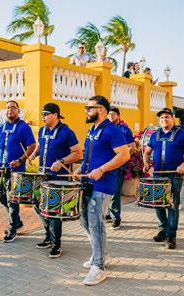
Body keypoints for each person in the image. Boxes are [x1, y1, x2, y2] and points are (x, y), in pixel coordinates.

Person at [74, 95, 130, 286]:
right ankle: (101, 252)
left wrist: (102, 169)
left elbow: (124, 155)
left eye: (90, 108)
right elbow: (90, 156)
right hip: (88, 182)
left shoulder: (112, 130)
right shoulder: (92, 130)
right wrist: (80, 169)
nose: (87, 111)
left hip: (103, 184)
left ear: (102, 110)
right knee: (84, 219)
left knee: (95, 223)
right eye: (86, 108)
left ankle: (98, 267)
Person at [28, 103, 82, 258]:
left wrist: (62, 161)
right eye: (42, 114)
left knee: (53, 211)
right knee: (38, 206)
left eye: (46, 114)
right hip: (42, 175)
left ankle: (56, 244)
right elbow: (40, 146)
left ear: (55, 115)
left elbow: (77, 153)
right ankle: (48, 236)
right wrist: (33, 155)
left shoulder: (66, 132)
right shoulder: (42, 130)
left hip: (58, 179)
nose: (43, 117)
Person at [143, 108, 184, 249]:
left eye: (167, 117)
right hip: (158, 176)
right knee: (158, 203)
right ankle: (163, 230)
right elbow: (147, 151)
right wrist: (146, 163)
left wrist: (183, 165)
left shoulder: (181, 134)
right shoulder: (154, 135)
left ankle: (171, 235)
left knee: (172, 205)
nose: (164, 120)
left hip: (174, 175)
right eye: (161, 118)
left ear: (173, 119)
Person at [0, 100, 36, 242]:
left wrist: (20, 160)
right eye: (7, 108)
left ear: (18, 110)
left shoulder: (23, 127)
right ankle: (18, 222)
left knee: (12, 199)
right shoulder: (1, 127)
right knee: (1, 197)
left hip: (16, 170)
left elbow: (32, 145)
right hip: (1, 169)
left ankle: (12, 229)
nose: (10, 110)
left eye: (13, 107)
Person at [106, 107, 136, 229]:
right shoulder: (106, 129)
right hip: (106, 165)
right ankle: (109, 213)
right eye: (108, 114)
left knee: (115, 192)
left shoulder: (124, 130)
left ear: (118, 116)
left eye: (113, 114)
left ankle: (116, 218)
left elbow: (133, 147)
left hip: (118, 166)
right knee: (107, 191)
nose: (110, 116)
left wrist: (122, 155)